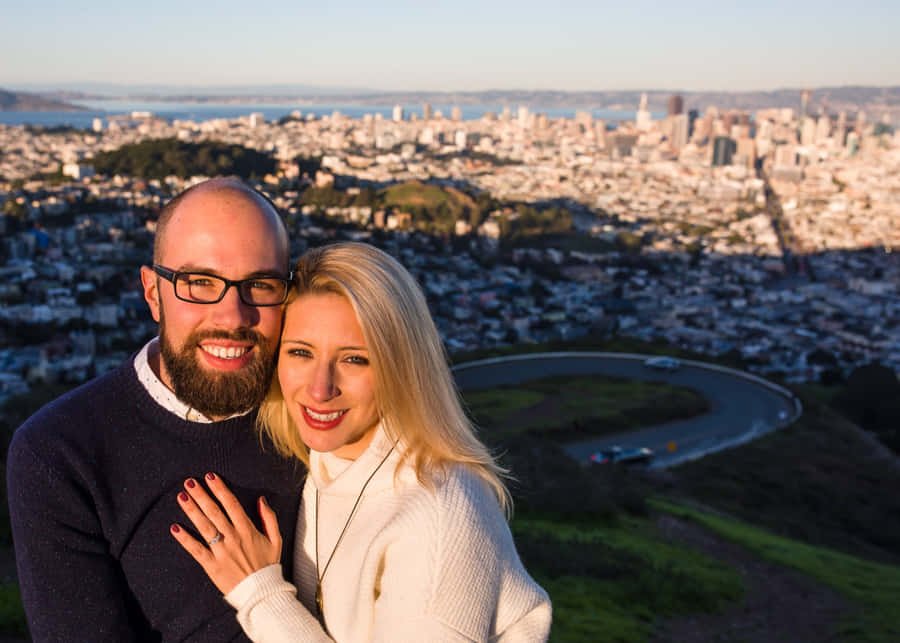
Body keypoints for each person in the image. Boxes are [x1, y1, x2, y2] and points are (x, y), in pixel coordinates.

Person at [171, 242, 552, 642]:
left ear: (402, 367)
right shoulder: (323, 462)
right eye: (300, 352)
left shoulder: (439, 513)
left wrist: (259, 592)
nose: (320, 390)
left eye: (355, 359)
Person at [6, 178, 307, 641]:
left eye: (261, 285)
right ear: (152, 293)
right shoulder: (61, 452)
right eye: (200, 283)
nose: (232, 316)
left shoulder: (320, 417)